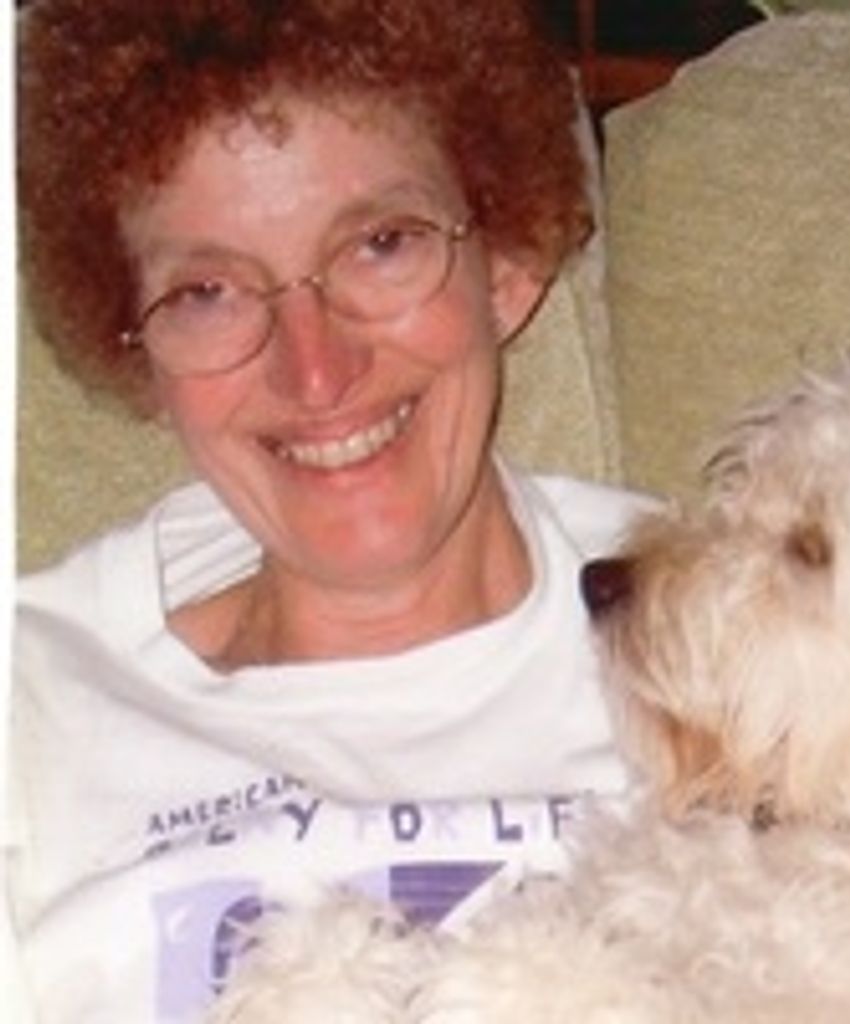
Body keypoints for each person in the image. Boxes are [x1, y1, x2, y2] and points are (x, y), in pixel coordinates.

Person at [11, 1, 654, 1020]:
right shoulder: (36, 692)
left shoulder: (748, 623)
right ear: (136, 347)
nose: (316, 372)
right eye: (208, 291)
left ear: (506, 263)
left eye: (380, 244)